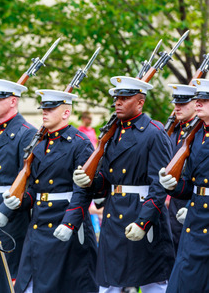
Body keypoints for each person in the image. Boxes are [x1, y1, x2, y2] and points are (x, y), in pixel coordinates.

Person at [73, 76, 175, 292]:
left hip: (142, 213)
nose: (118, 102)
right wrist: (90, 181)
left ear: (140, 102)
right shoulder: (112, 133)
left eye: (125, 98)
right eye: (117, 98)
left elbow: (159, 186)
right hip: (114, 215)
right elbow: (107, 181)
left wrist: (143, 222)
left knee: (152, 284)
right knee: (109, 283)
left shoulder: (153, 133)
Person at [0, 90, 98, 292]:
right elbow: (34, 188)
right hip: (40, 224)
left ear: (66, 113)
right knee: (29, 285)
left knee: (66, 285)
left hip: (66, 222)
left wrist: (70, 222)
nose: (45, 112)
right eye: (44, 108)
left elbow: (84, 190)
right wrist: (17, 202)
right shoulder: (40, 144)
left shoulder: (79, 143)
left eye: (51, 109)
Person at [158, 78, 209, 292]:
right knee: (181, 284)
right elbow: (190, 184)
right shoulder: (197, 135)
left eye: (205, 100)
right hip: (196, 220)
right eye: (197, 99)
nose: (198, 102)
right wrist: (172, 185)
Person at [0, 78, 36, 281]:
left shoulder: (26, 132)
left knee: (10, 273)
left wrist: (6, 210)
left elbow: (24, 177)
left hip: (11, 209)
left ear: (13, 101)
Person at [166, 83, 197, 255]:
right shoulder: (175, 130)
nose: (177, 107)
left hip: (192, 199)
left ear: (195, 103)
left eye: (183, 103)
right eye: (176, 103)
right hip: (173, 202)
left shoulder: (199, 132)